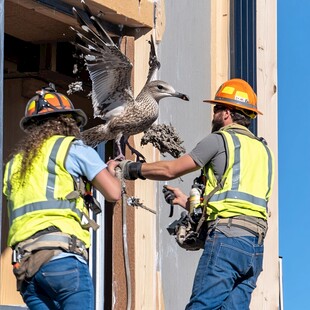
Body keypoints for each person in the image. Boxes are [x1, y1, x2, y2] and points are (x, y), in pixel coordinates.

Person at [112, 78, 274, 309]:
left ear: (227, 113)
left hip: (227, 241)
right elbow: (235, 201)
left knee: (201, 306)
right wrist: (185, 202)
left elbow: (171, 170)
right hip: (254, 249)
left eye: (217, 108)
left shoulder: (220, 139)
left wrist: (129, 168)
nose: (214, 114)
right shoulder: (263, 150)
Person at [3, 84, 121, 310]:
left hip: (27, 270)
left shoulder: (14, 164)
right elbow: (113, 193)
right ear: (69, 122)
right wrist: (113, 172)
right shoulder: (72, 148)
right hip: (62, 261)